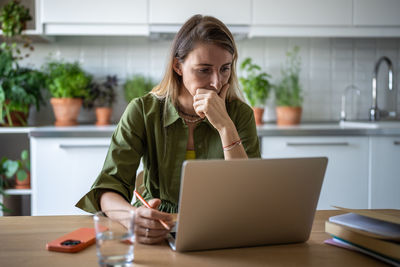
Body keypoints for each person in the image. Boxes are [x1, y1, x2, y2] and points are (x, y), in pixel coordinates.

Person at [76, 14, 261, 244]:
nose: (217, 82)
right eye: (204, 70)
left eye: (225, 69)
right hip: (155, 228)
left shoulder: (240, 115)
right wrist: (132, 217)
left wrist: (225, 126)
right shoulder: (143, 111)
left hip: (221, 229)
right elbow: (107, 188)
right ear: (178, 66)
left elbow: (249, 195)